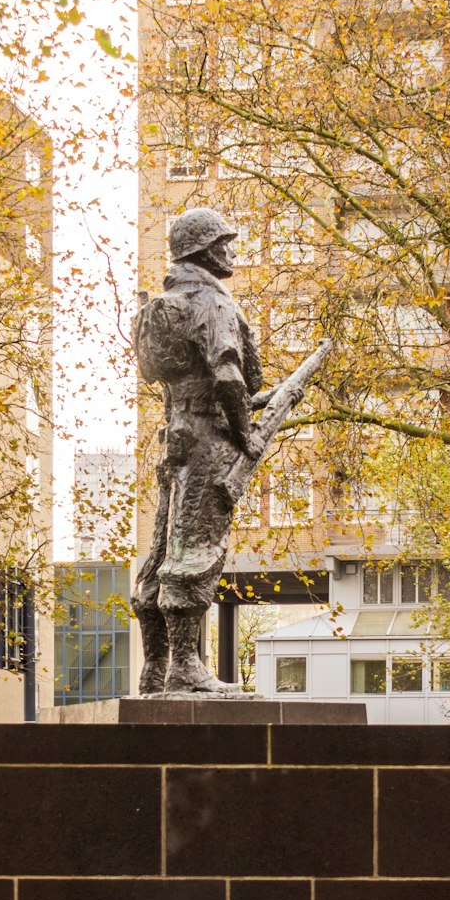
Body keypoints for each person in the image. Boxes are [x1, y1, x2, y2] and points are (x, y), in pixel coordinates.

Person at [131, 207, 266, 693]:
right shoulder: (211, 302)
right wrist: (247, 435)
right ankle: (185, 667)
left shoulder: (163, 304)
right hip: (209, 437)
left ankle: (155, 668)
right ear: (204, 250)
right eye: (223, 243)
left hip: (176, 433)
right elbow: (229, 375)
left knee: (164, 547)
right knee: (195, 549)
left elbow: (179, 378)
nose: (230, 252)